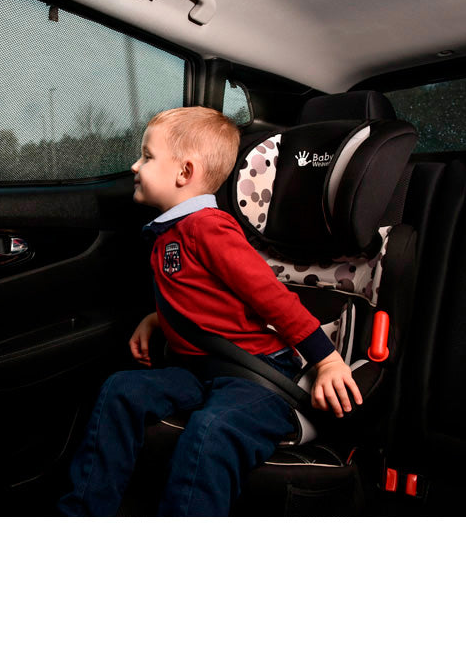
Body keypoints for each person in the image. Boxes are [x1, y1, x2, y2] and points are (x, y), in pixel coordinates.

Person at [57, 106, 361, 516]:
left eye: (147, 156)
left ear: (184, 172)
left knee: (213, 428)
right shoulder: (170, 231)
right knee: (121, 389)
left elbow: (272, 298)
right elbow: (200, 296)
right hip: (197, 370)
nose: (135, 166)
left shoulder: (208, 228)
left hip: (255, 373)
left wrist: (326, 360)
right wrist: (156, 319)